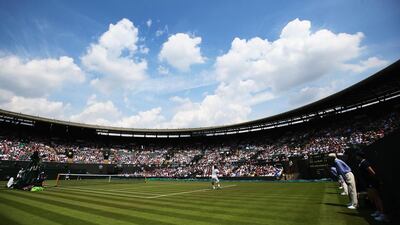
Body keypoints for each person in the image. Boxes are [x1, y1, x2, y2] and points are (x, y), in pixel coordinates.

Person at [356, 151, 388, 222]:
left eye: (357, 156)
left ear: (359, 156)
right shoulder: (361, 163)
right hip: (368, 182)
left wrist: (373, 181)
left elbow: (372, 172)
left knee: (377, 197)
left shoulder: (365, 163)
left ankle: (382, 214)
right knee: (373, 197)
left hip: (372, 182)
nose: (356, 157)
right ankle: (378, 211)